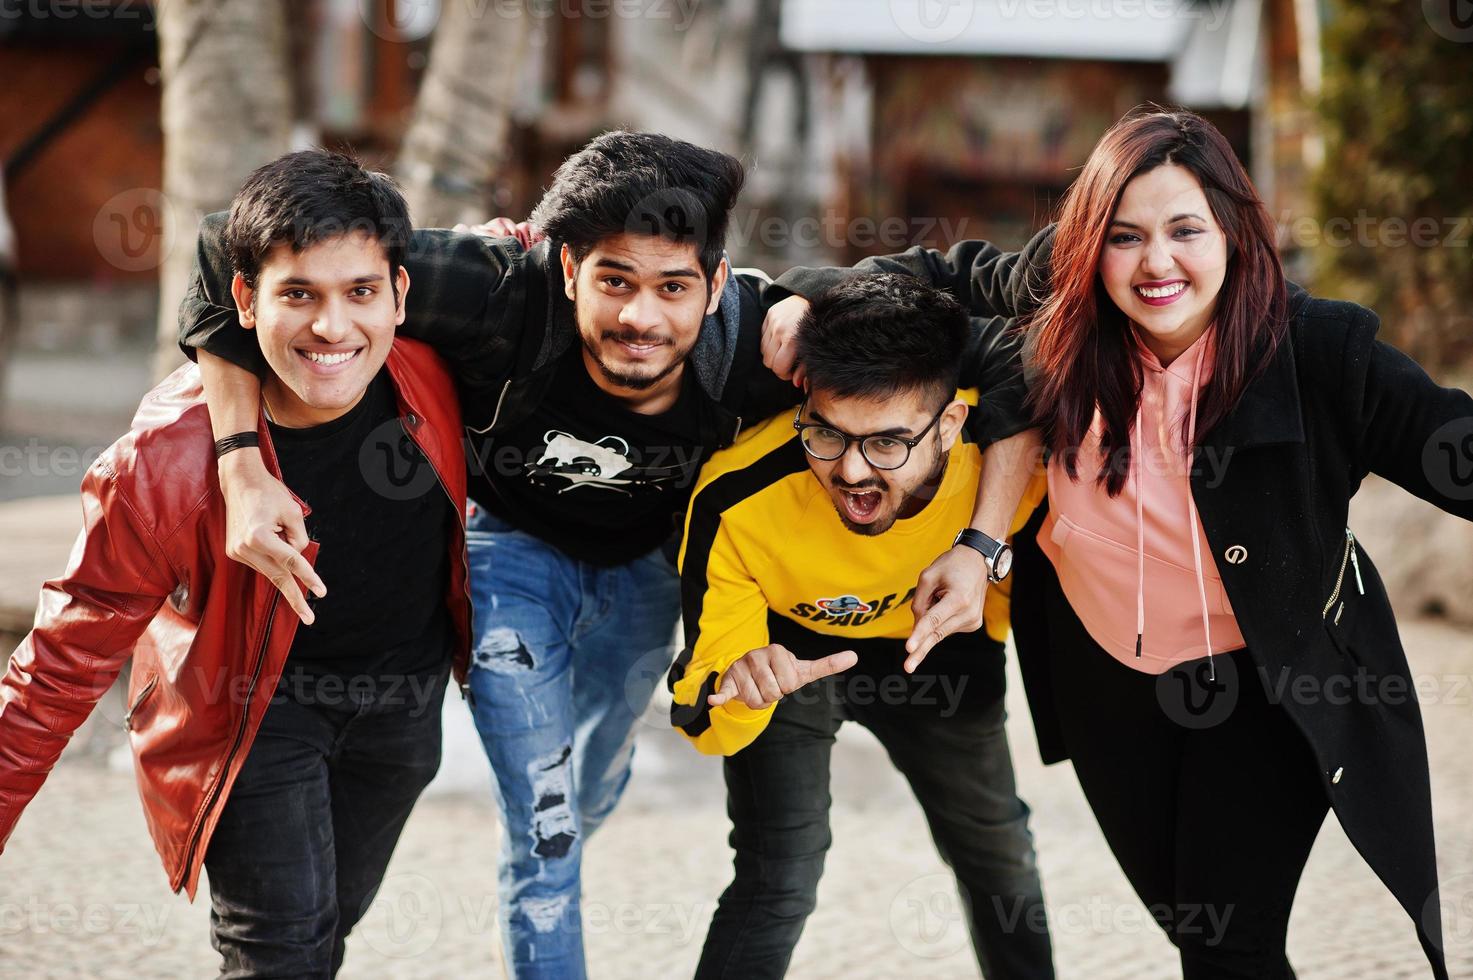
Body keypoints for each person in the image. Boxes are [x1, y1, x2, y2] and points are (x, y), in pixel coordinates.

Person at [177, 131, 1042, 979]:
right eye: (614, 281)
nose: (640, 316)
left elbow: (981, 342)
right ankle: (538, 895)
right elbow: (227, 245)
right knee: (547, 827)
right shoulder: (498, 290)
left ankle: (540, 876)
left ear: (713, 285)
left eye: (673, 286)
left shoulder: (756, 340)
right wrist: (241, 461)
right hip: (510, 557)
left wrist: (806, 297)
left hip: (643, 580)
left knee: (581, 797)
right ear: (565, 268)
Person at [763, 107, 1469, 979]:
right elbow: (930, 275)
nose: (1156, 262)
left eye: (1184, 230)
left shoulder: (1320, 351)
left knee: (1228, 944)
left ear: (1234, 233)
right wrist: (802, 295)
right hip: (1105, 680)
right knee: (1190, 923)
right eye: (1125, 237)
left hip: (1265, 679)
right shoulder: (1058, 307)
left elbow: (1450, 444)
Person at [0, 149, 471, 977]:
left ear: (400, 294)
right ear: (245, 300)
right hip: (251, 710)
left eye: (359, 292)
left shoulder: (433, 368)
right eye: (298, 295)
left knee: (327, 933)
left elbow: (585, 257)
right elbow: (58, 665)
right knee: (278, 951)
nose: (332, 327)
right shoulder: (162, 461)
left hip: (402, 706)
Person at [671, 273, 1054, 979]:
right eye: (826, 434)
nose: (850, 471)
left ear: (948, 425)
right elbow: (701, 703)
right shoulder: (736, 499)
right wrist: (739, 684)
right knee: (778, 875)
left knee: (996, 851)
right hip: (792, 655)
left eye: (885, 443)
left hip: (935, 649)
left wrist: (988, 591)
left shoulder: (1005, 464)